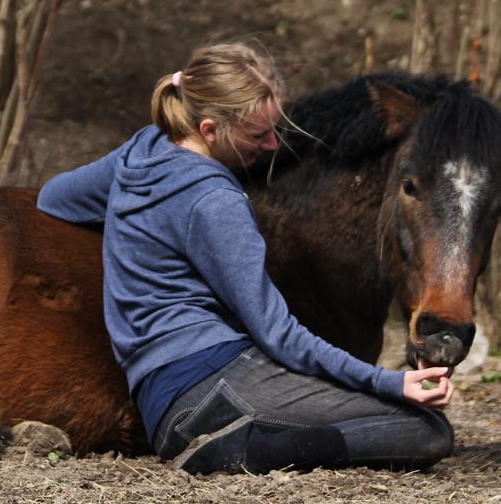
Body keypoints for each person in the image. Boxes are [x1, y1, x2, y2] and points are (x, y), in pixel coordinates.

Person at [37, 43, 454, 475]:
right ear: (210, 128)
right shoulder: (214, 199)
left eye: (275, 130)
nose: (272, 145)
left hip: (158, 393)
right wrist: (391, 381)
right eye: (258, 135)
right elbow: (278, 334)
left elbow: (55, 197)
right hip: (213, 385)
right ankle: (239, 453)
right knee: (426, 429)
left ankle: (245, 441)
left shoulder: (140, 152)